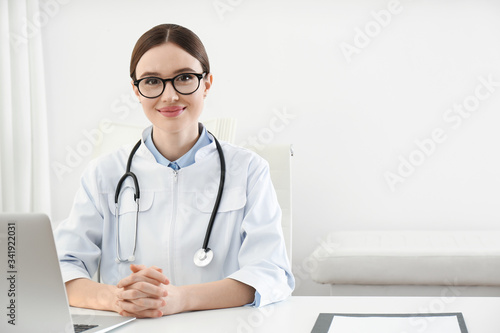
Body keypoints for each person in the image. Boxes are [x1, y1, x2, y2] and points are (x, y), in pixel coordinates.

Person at [54, 23, 294, 318]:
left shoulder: (248, 170)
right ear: (136, 90)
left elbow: (271, 273)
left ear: (206, 83)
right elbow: (60, 271)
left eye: (184, 78)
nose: (169, 96)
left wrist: (180, 299)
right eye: (153, 81)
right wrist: (116, 298)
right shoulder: (103, 174)